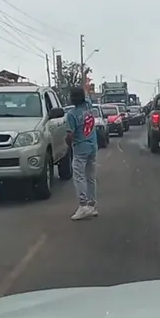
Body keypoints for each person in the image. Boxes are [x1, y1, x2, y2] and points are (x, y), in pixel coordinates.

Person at [65, 87, 98, 220]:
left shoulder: (71, 115)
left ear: (73, 98)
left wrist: (68, 143)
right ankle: (92, 205)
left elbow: (69, 135)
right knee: (90, 177)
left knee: (79, 177)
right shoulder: (88, 106)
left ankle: (83, 205)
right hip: (92, 146)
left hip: (80, 148)